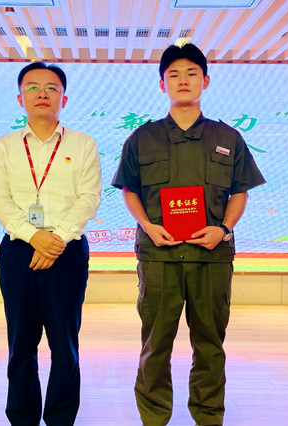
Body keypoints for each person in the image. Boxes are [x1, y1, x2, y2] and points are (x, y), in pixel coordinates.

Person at [112, 43, 265, 426]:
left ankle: (209, 416)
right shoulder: (142, 138)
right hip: (159, 256)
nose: (183, 81)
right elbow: (129, 189)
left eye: (192, 74)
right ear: (162, 83)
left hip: (211, 256)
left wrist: (223, 229)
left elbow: (240, 191)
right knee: (155, 345)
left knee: (210, 345)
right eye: (174, 75)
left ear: (205, 81)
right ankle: (154, 417)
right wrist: (148, 225)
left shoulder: (228, 138)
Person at [0, 62, 101, 426]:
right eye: (33, 87)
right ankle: (22, 418)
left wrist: (56, 239)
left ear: (63, 99)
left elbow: (89, 198)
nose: (42, 93)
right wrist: (33, 235)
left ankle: (60, 419)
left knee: (64, 344)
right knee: (21, 342)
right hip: (19, 249)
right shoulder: (5, 146)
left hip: (67, 251)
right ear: (20, 97)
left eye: (51, 88)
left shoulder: (82, 144)